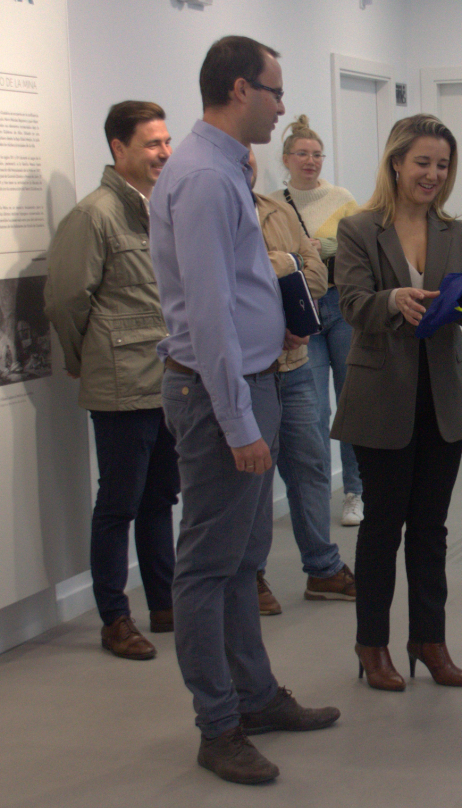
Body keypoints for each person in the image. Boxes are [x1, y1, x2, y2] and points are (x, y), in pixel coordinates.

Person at [149, 35, 338, 785]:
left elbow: (239, 284)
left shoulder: (227, 169)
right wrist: (237, 422)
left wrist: (275, 323)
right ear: (238, 90)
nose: (282, 106)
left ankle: (254, 698)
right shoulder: (203, 177)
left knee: (240, 562)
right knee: (207, 567)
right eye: (274, 91)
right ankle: (218, 725)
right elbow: (207, 314)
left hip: (254, 377)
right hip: (217, 394)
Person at [332, 114, 462, 692]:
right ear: (396, 162)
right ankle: (371, 643)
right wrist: (394, 298)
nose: (433, 174)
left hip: (445, 397)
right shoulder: (358, 228)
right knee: (382, 527)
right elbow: (351, 304)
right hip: (381, 398)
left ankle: (429, 640)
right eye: (422, 162)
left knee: (430, 527)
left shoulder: (456, 230)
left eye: (442, 165)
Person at [45, 101, 178, 661]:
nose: (163, 152)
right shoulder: (94, 215)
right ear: (118, 148)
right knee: (119, 504)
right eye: (151, 143)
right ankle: (114, 619)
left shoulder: (161, 207)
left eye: (166, 141)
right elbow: (65, 300)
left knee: (160, 498)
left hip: (168, 378)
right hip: (121, 384)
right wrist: (88, 359)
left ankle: (165, 604)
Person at [248, 149, 356, 613]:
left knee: (310, 462)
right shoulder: (211, 213)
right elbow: (236, 281)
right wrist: (286, 263)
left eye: (247, 157)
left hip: (292, 363)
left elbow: (314, 272)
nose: (243, 163)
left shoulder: (278, 211)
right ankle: (250, 576)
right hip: (248, 370)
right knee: (255, 476)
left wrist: (288, 267)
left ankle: (323, 567)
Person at [279, 115, 364, 527]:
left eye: (317, 154)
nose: (310, 161)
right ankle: (314, 495)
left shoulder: (341, 198)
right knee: (312, 408)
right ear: (286, 159)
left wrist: (327, 246)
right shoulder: (274, 204)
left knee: (351, 402)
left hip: (340, 303)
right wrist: (300, 253)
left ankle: (355, 491)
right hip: (302, 310)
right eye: (302, 154)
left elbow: (363, 245)